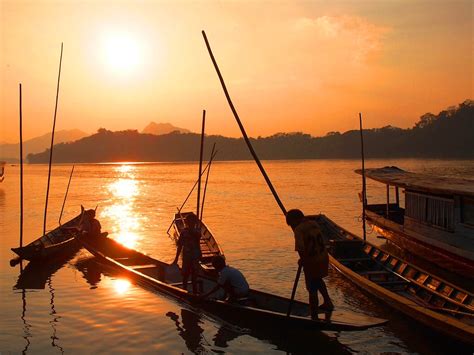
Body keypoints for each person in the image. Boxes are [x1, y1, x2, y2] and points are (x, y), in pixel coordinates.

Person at [286, 209, 334, 318]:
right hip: (323, 257)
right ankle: (328, 302)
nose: (291, 226)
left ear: (295, 220)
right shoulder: (314, 223)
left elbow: (301, 249)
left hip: (311, 261)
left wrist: (303, 261)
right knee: (318, 279)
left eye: (291, 224)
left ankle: (314, 313)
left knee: (311, 286)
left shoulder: (298, 230)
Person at [172, 214, 202, 294]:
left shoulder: (197, 231)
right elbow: (180, 245)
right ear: (187, 222)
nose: (191, 223)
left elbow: (198, 237)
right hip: (186, 257)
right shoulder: (184, 232)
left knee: (194, 276)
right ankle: (184, 290)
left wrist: (200, 254)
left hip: (195, 256)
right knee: (185, 274)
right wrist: (176, 258)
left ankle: (195, 292)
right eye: (190, 222)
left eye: (193, 222)